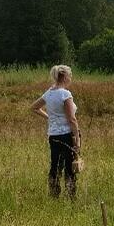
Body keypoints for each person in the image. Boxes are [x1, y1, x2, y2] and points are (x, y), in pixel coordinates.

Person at [31, 65, 80, 199]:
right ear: (64, 77)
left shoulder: (49, 93)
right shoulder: (65, 94)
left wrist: (49, 117)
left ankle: (54, 194)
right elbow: (72, 119)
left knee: (55, 165)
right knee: (70, 166)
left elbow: (34, 107)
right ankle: (71, 196)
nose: (70, 79)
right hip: (66, 134)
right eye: (70, 76)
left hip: (53, 135)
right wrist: (78, 139)